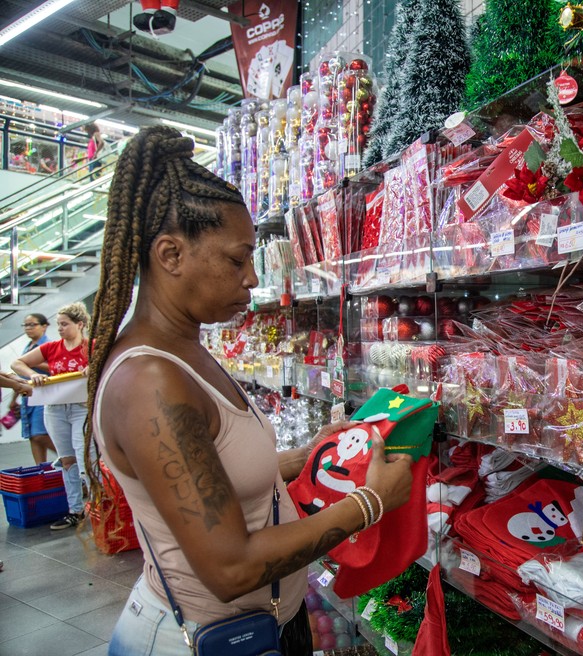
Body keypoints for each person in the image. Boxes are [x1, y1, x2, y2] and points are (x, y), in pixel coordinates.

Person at [83, 126, 413, 655]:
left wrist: (304, 457)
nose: (253, 279)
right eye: (237, 260)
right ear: (170, 254)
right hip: (209, 639)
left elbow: (213, 474)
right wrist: (371, 503)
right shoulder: (150, 383)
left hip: (261, 631)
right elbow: (231, 566)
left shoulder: (185, 350)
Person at [11, 303, 91, 530]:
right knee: (66, 460)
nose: (60, 329)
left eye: (64, 324)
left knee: (87, 457)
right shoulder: (53, 347)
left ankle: (99, 507)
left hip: (81, 407)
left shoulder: (90, 347)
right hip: (55, 408)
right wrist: (33, 375)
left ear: (80, 324)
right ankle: (75, 510)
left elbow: (112, 361)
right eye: (58, 324)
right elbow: (17, 363)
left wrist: (93, 366)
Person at [7, 314, 57, 465]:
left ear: (44, 326)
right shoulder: (27, 348)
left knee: (40, 435)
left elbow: (57, 368)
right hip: (27, 396)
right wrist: (13, 400)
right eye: (26, 325)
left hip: (45, 395)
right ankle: (40, 471)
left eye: (32, 324)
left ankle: (71, 458)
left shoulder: (49, 345)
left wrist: (31, 364)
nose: (28, 328)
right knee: (32, 436)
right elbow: (20, 375)